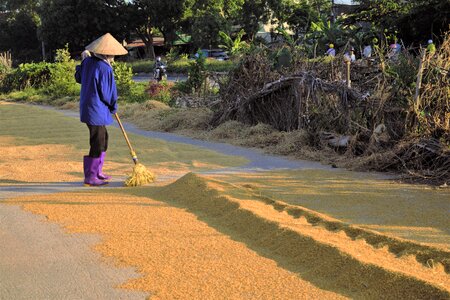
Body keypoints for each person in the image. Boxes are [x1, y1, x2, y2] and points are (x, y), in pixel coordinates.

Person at [75, 33, 128, 186]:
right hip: (96, 109)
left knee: (103, 139)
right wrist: (113, 106)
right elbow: (108, 93)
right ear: (108, 53)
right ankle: (90, 176)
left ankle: (97, 171)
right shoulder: (104, 68)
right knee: (97, 142)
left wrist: (82, 62)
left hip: (91, 108)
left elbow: (78, 78)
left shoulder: (88, 62)